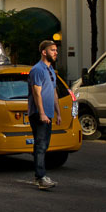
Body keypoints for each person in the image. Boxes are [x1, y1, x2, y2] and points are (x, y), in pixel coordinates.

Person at [28, 40, 61, 190]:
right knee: (41, 145)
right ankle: (41, 177)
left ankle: (39, 176)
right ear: (44, 52)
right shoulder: (38, 69)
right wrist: (41, 113)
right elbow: (37, 93)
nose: (56, 52)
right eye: (52, 50)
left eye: (56, 50)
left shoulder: (50, 70)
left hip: (48, 114)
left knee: (44, 145)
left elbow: (54, 92)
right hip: (39, 114)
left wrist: (58, 113)